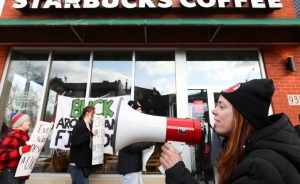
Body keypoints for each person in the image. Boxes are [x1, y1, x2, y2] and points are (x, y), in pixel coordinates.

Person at [160, 79, 300, 184]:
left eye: (221, 106)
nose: (214, 111)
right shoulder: (255, 154)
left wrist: (178, 174)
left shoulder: (258, 167)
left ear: (242, 115)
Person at [117, 100, 156, 184]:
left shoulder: (132, 124)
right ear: (132, 111)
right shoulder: (126, 125)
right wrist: (150, 142)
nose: (141, 111)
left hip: (134, 167)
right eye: (139, 109)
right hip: (130, 168)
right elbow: (132, 147)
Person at [0, 113, 32, 184]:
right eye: (27, 121)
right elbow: (2, 156)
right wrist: (20, 150)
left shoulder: (26, 136)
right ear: (20, 123)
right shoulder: (12, 136)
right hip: (10, 173)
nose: (29, 122)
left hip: (21, 173)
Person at [69, 106, 98, 184]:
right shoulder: (79, 126)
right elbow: (74, 141)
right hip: (78, 163)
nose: (94, 115)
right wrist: (90, 134)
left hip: (83, 162)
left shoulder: (89, 126)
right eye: (93, 113)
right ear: (87, 113)